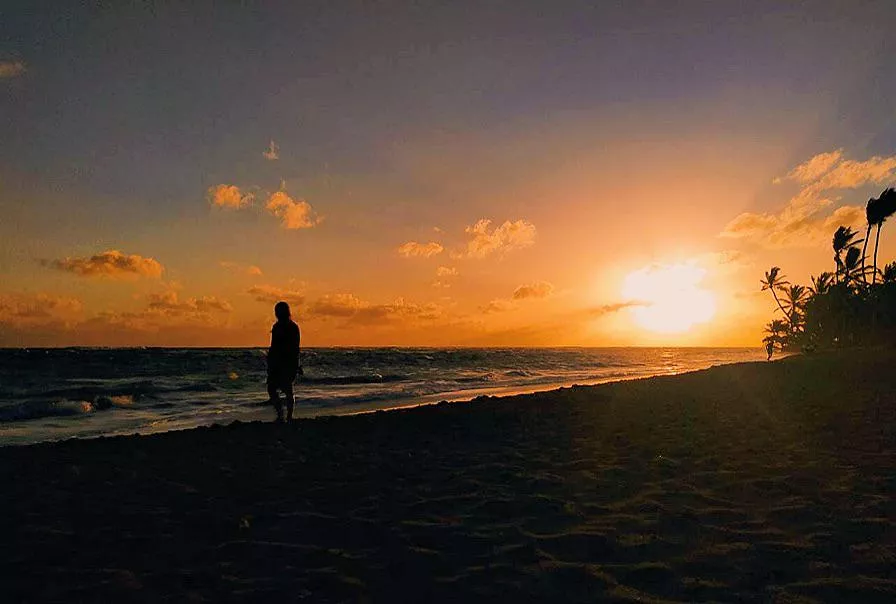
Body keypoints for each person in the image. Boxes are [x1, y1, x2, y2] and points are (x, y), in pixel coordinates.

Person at [267, 301, 301, 422]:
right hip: (277, 362)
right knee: (271, 388)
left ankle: (289, 416)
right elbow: (273, 345)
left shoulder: (293, 327)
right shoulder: (276, 327)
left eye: (279, 311)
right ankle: (280, 414)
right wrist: (270, 360)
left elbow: (295, 347)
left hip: (288, 362)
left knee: (287, 389)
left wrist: (296, 363)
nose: (277, 314)